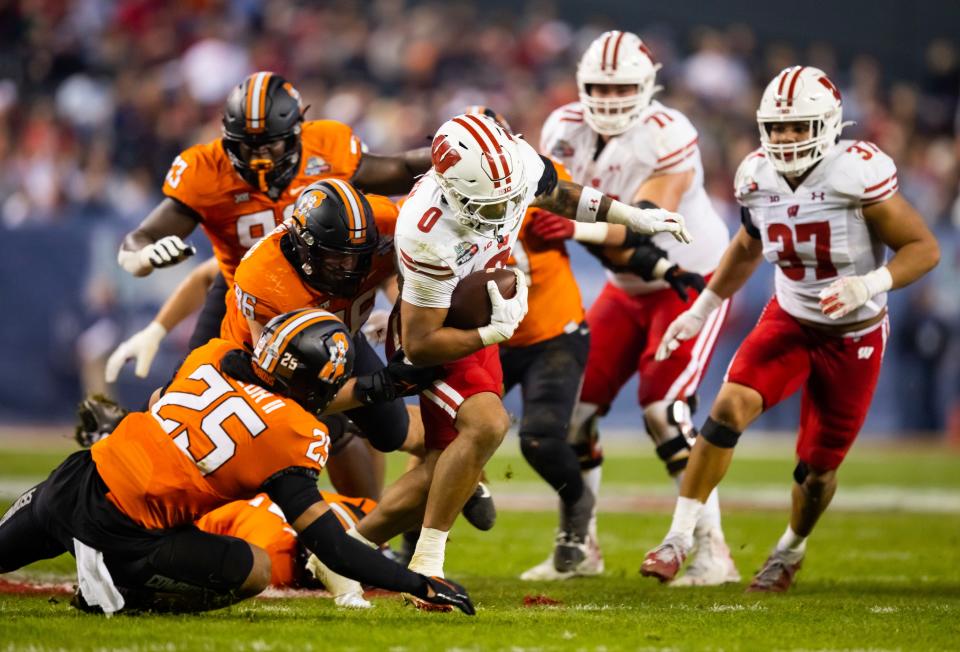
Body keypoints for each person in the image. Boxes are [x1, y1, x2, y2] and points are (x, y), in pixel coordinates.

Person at [345, 111, 690, 593]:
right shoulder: (424, 230)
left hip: (494, 320)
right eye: (489, 204)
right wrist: (492, 333)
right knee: (486, 427)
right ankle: (424, 562)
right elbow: (422, 343)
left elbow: (561, 196)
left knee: (444, 464)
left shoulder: (516, 165)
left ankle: (345, 554)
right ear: (450, 189)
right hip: (447, 328)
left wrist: (630, 215)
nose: (503, 212)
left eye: (509, 198)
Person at [640, 66, 940, 592]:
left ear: (826, 125)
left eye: (797, 127)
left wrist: (869, 284)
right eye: (776, 128)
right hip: (790, 319)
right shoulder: (756, 175)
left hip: (854, 336)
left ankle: (789, 549)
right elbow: (747, 247)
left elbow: (924, 248)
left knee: (817, 472)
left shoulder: (857, 173)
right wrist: (703, 306)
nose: (784, 138)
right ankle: (679, 537)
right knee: (726, 408)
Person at [0, 309, 472, 615]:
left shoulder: (214, 355)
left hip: (72, 481)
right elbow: (333, 548)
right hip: (126, 533)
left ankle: (98, 559)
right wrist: (420, 583)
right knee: (256, 569)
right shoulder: (296, 434)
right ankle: (119, 592)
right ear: (314, 384)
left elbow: (162, 402)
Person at [530, 30, 737, 585]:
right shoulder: (563, 128)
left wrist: (570, 222)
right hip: (625, 289)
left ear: (648, 87)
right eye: (598, 85)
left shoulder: (669, 134)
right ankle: (581, 546)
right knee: (574, 410)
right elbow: (545, 201)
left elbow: (635, 230)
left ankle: (713, 551)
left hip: (688, 281)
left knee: (663, 408)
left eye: (622, 87)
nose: (610, 98)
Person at [109, 71, 432, 377]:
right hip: (246, 303)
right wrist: (143, 259)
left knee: (360, 420)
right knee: (194, 393)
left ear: (296, 135)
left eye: (269, 144)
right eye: (245, 146)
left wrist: (459, 151)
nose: (256, 157)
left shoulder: (326, 147)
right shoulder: (206, 169)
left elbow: (401, 168)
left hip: (321, 300)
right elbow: (149, 243)